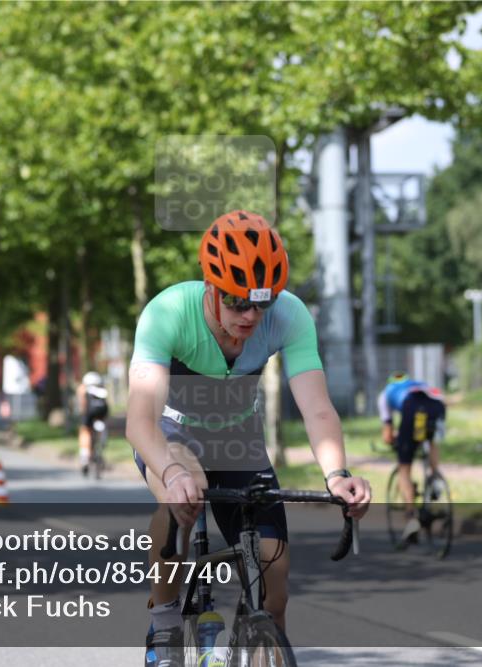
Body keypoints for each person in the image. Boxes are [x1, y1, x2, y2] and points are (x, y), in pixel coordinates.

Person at [126, 211, 371, 667]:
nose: (251, 316)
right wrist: (172, 470)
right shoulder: (168, 312)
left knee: (274, 583)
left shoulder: (290, 315)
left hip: (238, 436)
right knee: (182, 493)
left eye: (262, 303)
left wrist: (337, 474)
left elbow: (317, 407)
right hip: (171, 432)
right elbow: (139, 421)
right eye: (238, 302)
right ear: (210, 287)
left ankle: (261, 644)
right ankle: (162, 621)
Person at [377, 372, 447, 543]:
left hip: (411, 408)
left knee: (404, 469)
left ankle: (411, 518)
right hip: (437, 405)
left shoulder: (385, 395)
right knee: (430, 440)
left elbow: (387, 436)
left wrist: (396, 440)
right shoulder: (418, 383)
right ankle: (435, 477)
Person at [77, 371, 109, 475]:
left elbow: (82, 404)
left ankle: (85, 456)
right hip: (101, 414)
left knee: (84, 430)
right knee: (102, 427)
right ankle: (101, 444)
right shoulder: (102, 388)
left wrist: (82, 414)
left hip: (89, 414)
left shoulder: (83, 388)